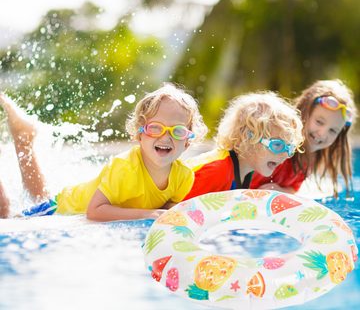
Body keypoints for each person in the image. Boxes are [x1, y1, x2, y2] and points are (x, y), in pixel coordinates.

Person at [0, 83, 208, 220]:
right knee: (8, 219)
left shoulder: (184, 176)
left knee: (38, 194)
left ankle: (24, 138)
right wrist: (148, 214)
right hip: (65, 206)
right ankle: (24, 139)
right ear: (140, 134)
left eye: (178, 131)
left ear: (188, 141)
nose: (165, 137)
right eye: (155, 128)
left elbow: (169, 208)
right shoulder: (125, 168)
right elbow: (94, 211)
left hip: (81, 205)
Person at [183, 91, 304, 200]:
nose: (285, 155)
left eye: (290, 148)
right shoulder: (217, 171)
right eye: (277, 145)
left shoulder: (245, 172)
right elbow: (176, 210)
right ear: (247, 138)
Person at [250, 79, 357, 197]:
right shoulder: (278, 140)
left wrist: (281, 191)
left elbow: (293, 188)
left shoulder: (310, 158)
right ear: (303, 112)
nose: (323, 133)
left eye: (332, 130)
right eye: (319, 122)